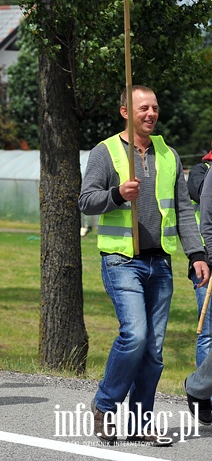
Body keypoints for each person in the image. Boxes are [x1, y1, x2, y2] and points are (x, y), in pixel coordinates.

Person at [79, 85, 208, 445]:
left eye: (154, 107)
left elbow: (183, 210)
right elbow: (86, 201)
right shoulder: (105, 152)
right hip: (121, 260)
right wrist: (118, 195)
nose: (151, 113)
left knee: (153, 350)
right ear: (125, 111)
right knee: (134, 335)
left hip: (159, 263)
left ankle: (139, 422)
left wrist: (196, 254)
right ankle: (105, 406)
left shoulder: (169, 154)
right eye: (143, 108)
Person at [188, 143, 212, 368]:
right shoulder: (201, 171)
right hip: (205, 261)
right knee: (208, 332)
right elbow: (199, 191)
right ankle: (204, 396)